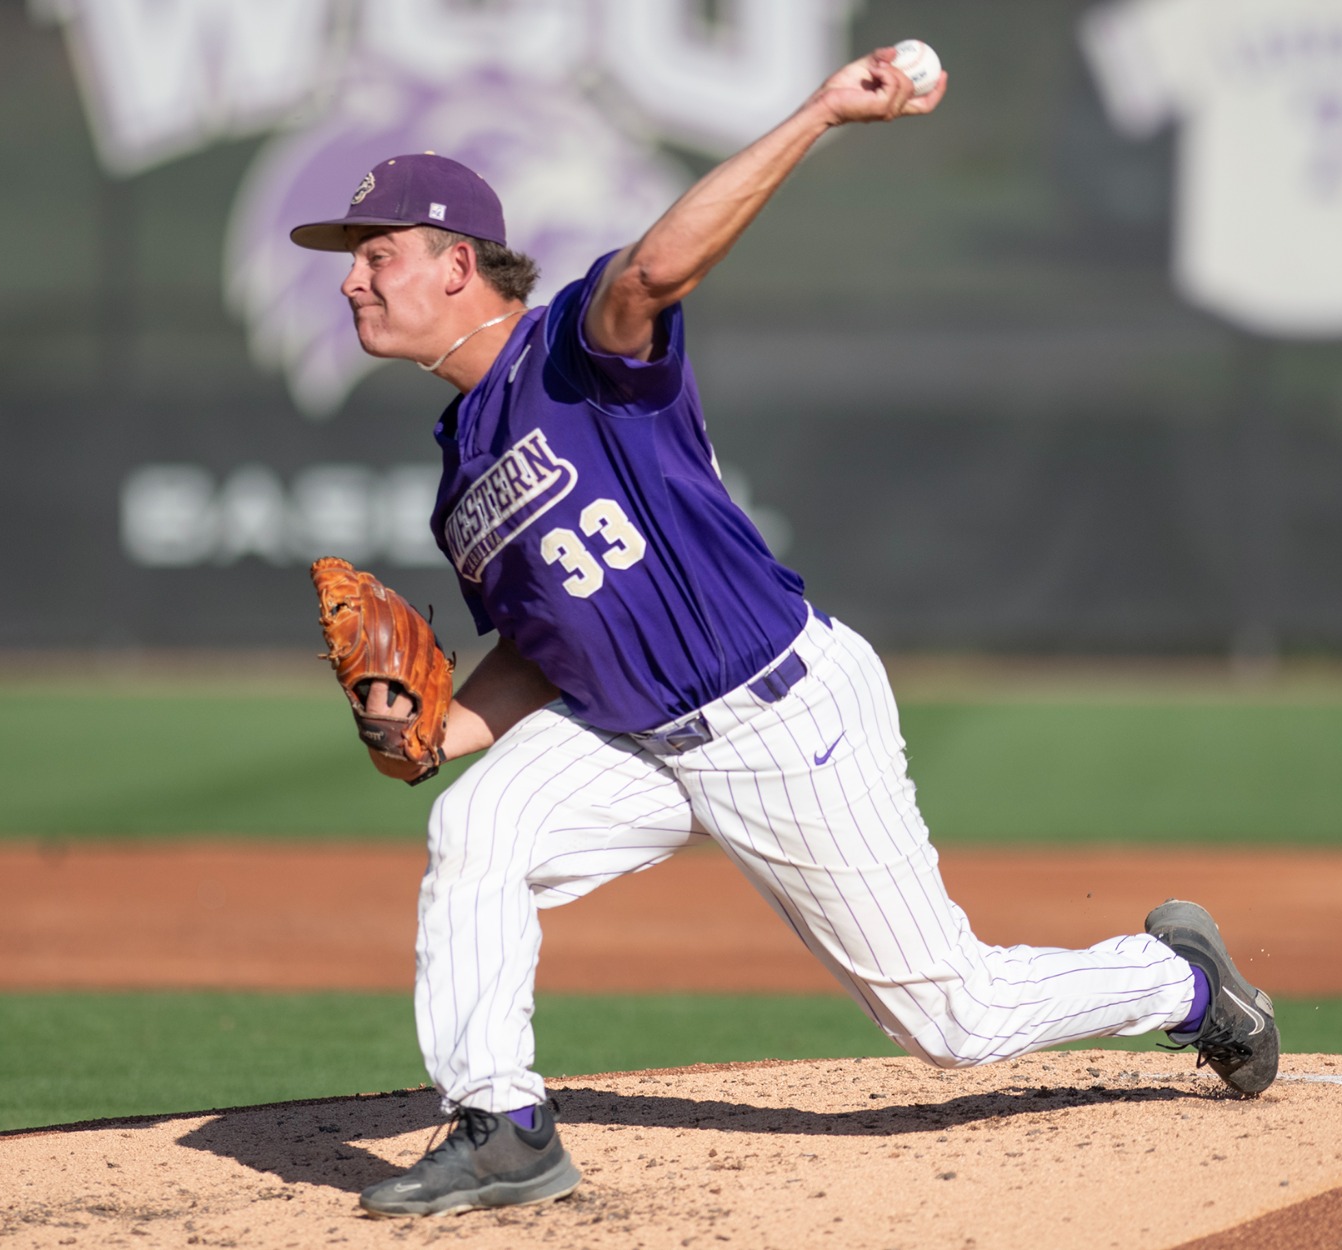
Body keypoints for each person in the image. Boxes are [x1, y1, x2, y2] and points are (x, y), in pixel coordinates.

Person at [288, 46, 1278, 1220]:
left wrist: (818, 112)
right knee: (476, 822)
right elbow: (548, 647)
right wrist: (434, 726)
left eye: (377, 256)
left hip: (778, 711)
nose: (353, 282)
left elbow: (657, 267)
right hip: (635, 742)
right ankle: (502, 1122)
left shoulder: (574, 348)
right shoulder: (459, 479)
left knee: (949, 1020)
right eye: (355, 264)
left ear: (459, 263)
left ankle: (1179, 981)